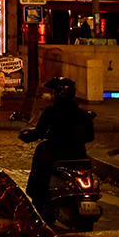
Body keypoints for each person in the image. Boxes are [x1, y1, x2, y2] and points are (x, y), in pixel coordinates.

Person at [20, 76, 95, 219]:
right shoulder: (83, 114)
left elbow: (39, 132)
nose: (53, 95)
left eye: (55, 92)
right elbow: (90, 137)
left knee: (40, 178)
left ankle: (40, 208)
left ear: (60, 93)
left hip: (56, 155)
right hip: (79, 156)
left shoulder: (51, 112)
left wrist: (27, 136)